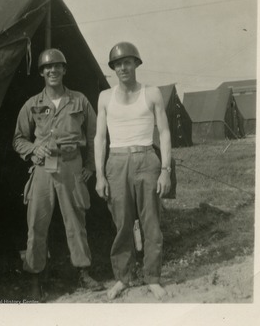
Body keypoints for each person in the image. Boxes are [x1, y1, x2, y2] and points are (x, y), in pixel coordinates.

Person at [13, 48, 102, 301]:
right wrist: (33, 149)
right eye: (47, 68)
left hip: (71, 166)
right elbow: (18, 139)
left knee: (76, 221)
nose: (53, 71)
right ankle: (35, 278)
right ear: (42, 73)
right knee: (37, 223)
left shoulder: (79, 101)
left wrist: (91, 166)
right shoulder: (32, 104)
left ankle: (83, 272)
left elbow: (96, 134)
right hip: (44, 168)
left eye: (57, 66)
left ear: (64, 70)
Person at [94, 42, 171, 300]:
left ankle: (153, 278)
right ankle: (122, 278)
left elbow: (164, 132)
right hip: (116, 162)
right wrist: (100, 175)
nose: (123, 67)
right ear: (113, 68)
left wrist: (165, 170)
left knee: (151, 223)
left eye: (127, 62)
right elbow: (100, 139)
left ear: (136, 64)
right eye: (117, 64)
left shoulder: (152, 93)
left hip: (146, 158)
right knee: (122, 224)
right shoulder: (105, 96)